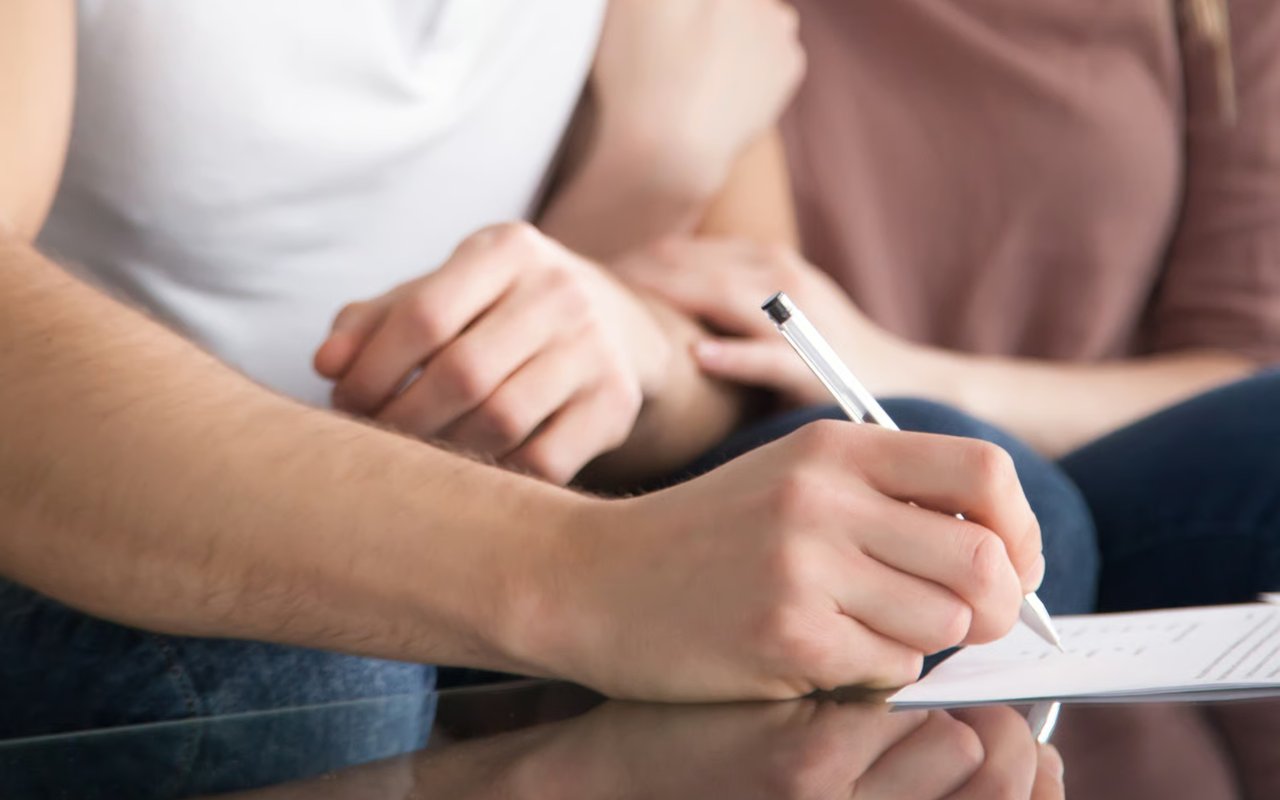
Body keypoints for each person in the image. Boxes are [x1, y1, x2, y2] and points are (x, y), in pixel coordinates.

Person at [0, 0, 1051, 740]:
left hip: (520, 491)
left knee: (963, 506)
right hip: (142, 500)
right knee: (310, 661)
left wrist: (630, 334)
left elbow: (734, 342)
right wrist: (579, 571)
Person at [621, 0, 1280, 614]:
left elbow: (1242, 368)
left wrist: (899, 368)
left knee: (1012, 500)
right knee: (992, 520)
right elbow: (736, 303)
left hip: (1116, 467)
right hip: (822, 454)